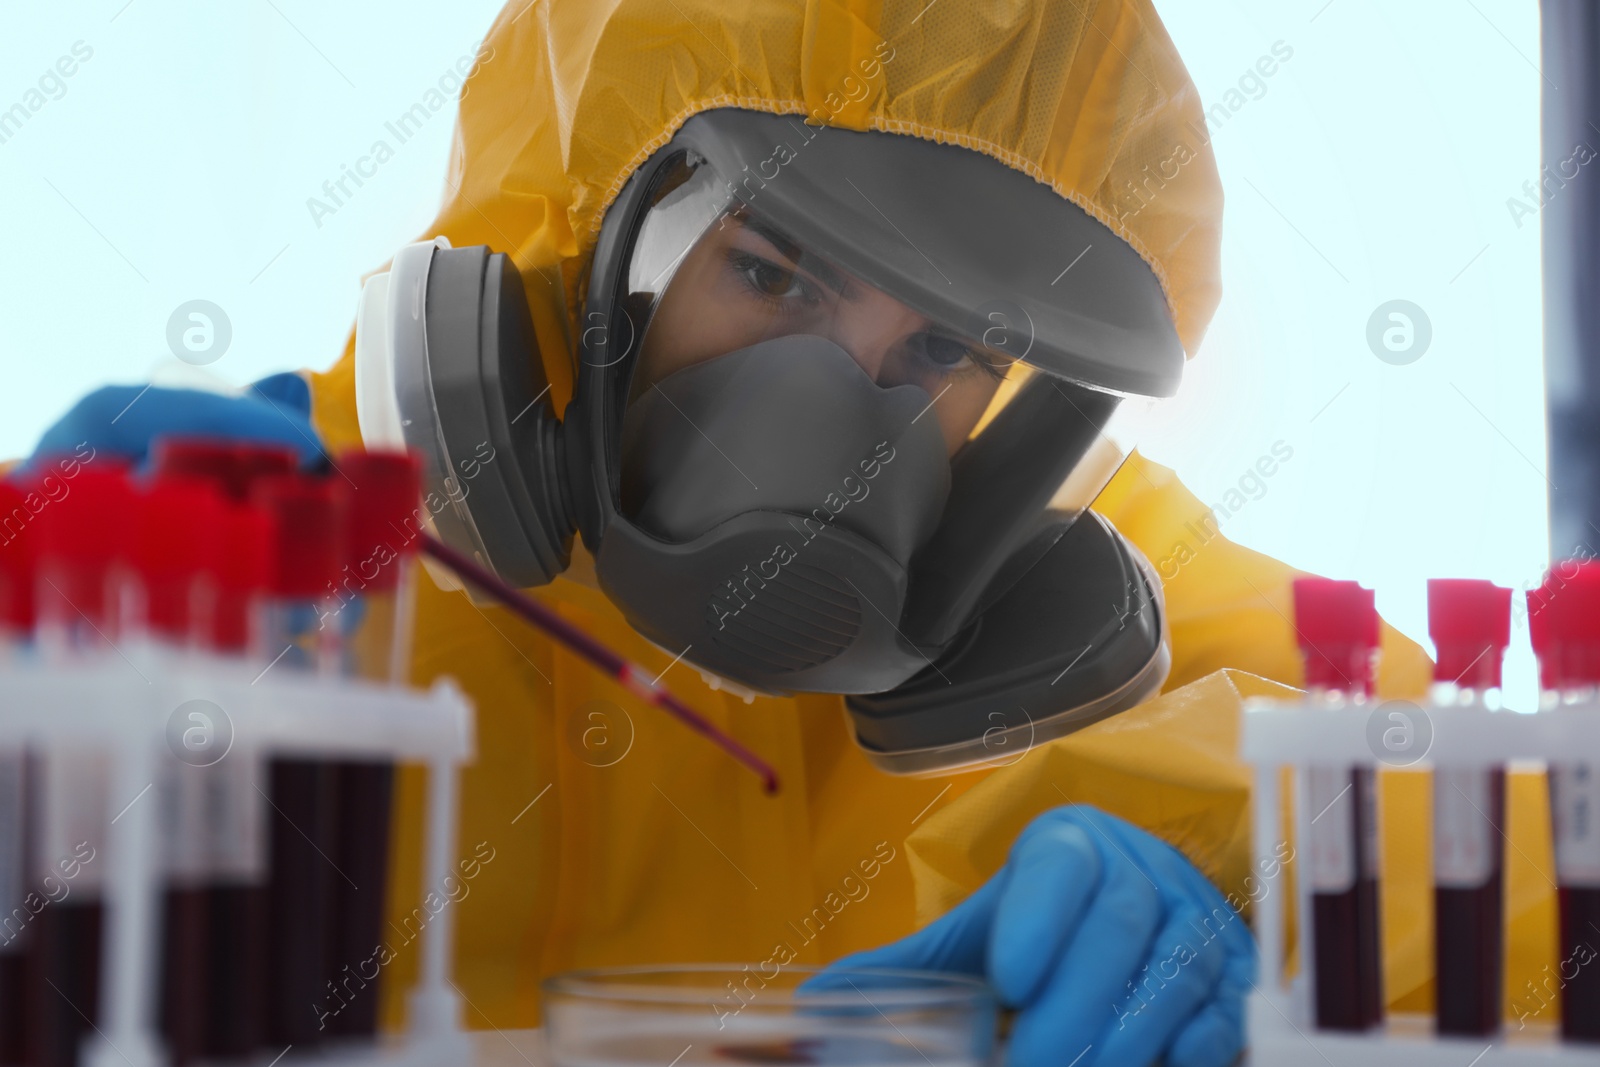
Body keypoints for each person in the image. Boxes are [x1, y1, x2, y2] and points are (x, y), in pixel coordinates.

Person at [33, 2, 1465, 1065]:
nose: (843, 411)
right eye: (774, 271)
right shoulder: (268, 556)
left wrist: (1242, 875)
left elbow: (1461, 789)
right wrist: (54, 704)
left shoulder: (1025, 561)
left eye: (947, 351)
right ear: (599, 235)